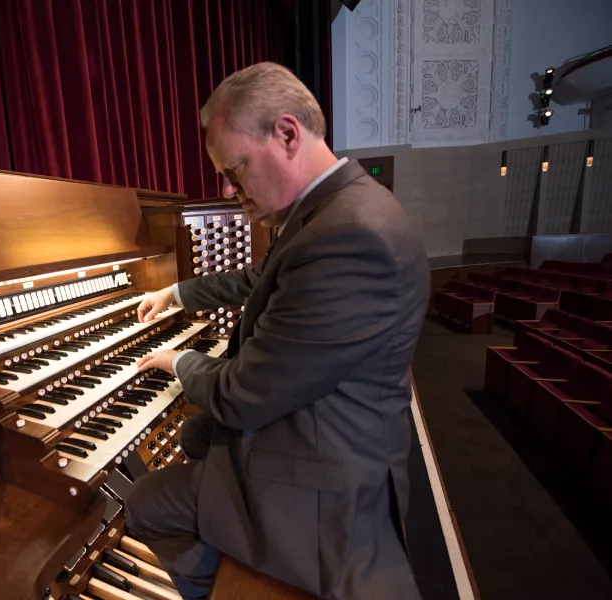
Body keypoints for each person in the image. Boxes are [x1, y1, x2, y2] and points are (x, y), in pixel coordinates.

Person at [126, 62, 429, 600]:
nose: (228, 187)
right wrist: (176, 294)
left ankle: (223, 581)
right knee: (196, 435)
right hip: (334, 423)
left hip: (330, 482)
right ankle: (223, 538)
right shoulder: (334, 210)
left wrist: (178, 362)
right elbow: (261, 280)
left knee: (144, 503)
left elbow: (242, 395)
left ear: (287, 134)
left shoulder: (350, 236)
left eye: (235, 168)